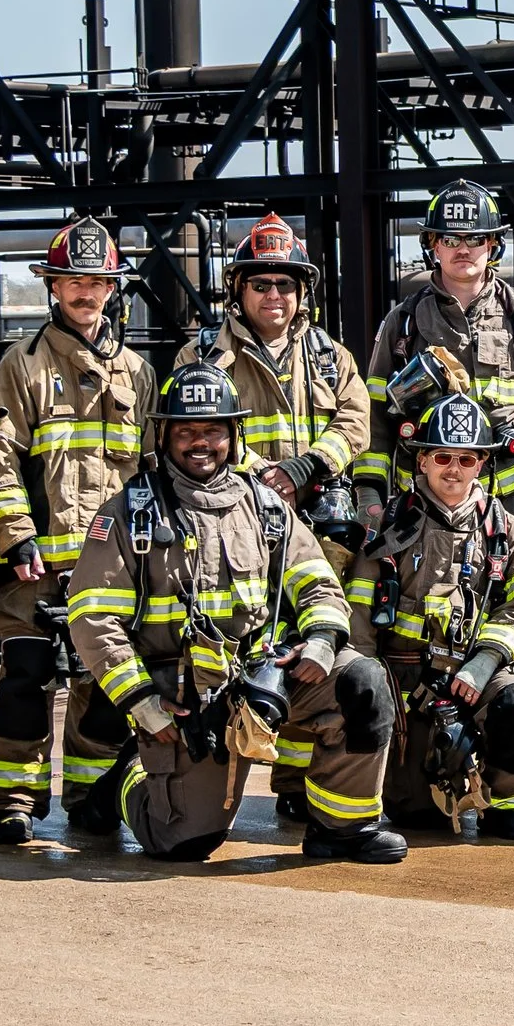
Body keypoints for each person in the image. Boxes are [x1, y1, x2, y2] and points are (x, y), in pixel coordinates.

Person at [65, 364, 406, 863]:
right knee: (184, 843)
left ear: (233, 434)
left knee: (362, 682)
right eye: (185, 430)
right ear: (163, 435)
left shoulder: (266, 506)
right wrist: (141, 702)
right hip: (181, 695)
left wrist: (320, 641)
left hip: (262, 676)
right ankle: (129, 778)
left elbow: (317, 582)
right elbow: (93, 618)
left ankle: (344, 829)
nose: (199, 442)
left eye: (213, 430)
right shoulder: (128, 513)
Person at [180, 212, 370, 821]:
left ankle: (295, 786)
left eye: (285, 284)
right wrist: (264, 475)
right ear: (239, 289)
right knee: (243, 643)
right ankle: (213, 774)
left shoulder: (329, 357)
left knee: (310, 648)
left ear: (301, 291)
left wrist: (309, 468)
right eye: (261, 284)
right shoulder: (202, 354)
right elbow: (197, 433)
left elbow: (356, 423)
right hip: (235, 521)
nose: (274, 296)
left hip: (318, 525)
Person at [0, 216, 157, 845]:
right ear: (53, 286)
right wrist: (13, 535)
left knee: (104, 682)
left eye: (97, 281)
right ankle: (15, 801)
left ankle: (92, 793)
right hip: (38, 564)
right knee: (26, 678)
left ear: (112, 289)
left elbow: (152, 471)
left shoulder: (137, 370)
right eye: (73, 280)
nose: (85, 291)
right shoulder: (21, 366)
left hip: (113, 566)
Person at [347, 393, 514, 839]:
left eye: (466, 459)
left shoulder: (505, 530)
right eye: (442, 456)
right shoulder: (388, 528)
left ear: (482, 464)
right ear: (421, 461)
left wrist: (483, 664)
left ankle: (511, 799)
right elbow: (360, 616)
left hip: (481, 673)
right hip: (407, 682)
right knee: (418, 818)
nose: (453, 470)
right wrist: (371, 688)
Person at [356, 179, 514, 565]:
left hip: (511, 497)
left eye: (475, 238)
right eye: (450, 238)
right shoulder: (404, 324)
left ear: (492, 245)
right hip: (428, 501)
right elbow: (374, 415)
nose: (463, 248)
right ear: (432, 245)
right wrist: (368, 492)